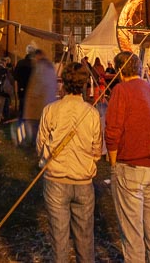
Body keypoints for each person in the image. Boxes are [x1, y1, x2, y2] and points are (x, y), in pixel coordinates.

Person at [105, 51, 150, 263]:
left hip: (131, 167)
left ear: (119, 71)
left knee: (133, 232)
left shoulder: (121, 90)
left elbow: (113, 130)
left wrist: (114, 163)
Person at [37, 62, 103, 263]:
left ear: (63, 83)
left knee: (59, 240)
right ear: (84, 84)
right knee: (85, 239)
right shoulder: (92, 113)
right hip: (83, 181)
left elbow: (40, 145)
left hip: (56, 180)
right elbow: (97, 150)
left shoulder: (51, 110)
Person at [23, 49, 58, 148]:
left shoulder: (40, 67)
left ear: (37, 56)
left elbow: (37, 86)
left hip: (38, 103)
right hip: (49, 102)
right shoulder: (50, 67)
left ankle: (34, 143)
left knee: (34, 125)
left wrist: (32, 97)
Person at [14, 47, 35, 119]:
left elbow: (15, 78)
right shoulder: (36, 64)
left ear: (26, 52)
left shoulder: (20, 63)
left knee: (22, 108)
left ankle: (21, 122)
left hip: (22, 89)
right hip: (33, 91)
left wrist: (16, 90)